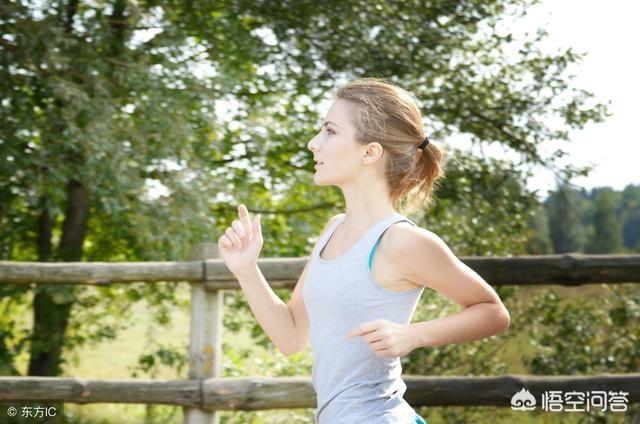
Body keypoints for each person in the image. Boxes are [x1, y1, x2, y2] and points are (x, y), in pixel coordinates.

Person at [218, 77, 511, 423]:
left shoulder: (402, 241)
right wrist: (246, 270)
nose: (314, 143)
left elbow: (493, 312)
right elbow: (291, 336)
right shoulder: (333, 230)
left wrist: (412, 335)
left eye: (330, 131)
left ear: (370, 152)